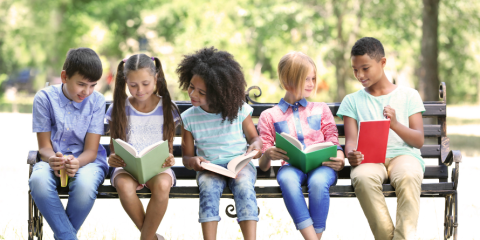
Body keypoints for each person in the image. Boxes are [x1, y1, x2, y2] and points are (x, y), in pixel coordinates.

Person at [337, 37, 425, 240]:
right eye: (355, 69)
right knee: (362, 178)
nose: (359, 75)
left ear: (383, 62)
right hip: (369, 159)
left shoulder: (409, 95)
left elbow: (418, 140)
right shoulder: (352, 101)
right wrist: (351, 154)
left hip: (403, 156)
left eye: (365, 68)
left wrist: (395, 124)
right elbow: (351, 140)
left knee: (409, 176)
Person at [257, 51, 345, 240]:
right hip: (291, 168)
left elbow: (333, 140)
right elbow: (263, 166)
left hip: (322, 166)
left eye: (313, 78)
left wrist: (340, 159)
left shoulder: (320, 108)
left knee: (318, 182)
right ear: (287, 81)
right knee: (287, 179)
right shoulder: (269, 116)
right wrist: (268, 155)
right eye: (306, 79)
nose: (311, 84)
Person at [177, 47, 263, 240]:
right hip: (209, 168)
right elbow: (187, 157)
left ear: (218, 93)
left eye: (202, 92)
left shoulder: (239, 110)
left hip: (240, 165)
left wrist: (256, 147)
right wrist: (195, 162)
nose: (193, 94)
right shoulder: (189, 118)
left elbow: (255, 138)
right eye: (191, 87)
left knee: (243, 185)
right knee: (207, 187)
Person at [29, 48, 107, 240]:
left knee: (85, 185)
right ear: (64, 76)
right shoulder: (44, 98)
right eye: (81, 84)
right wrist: (52, 158)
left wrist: (77, 163)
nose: (86, 92)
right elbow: (45, 147)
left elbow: (91, 150)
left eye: (92, 85)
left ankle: (64, 236)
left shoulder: (97, 101)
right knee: (37, 181)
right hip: (52, 161)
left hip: (88, 162)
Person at [106, 54, 181, 240]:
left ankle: (146, 238)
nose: (139, 90)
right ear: (126, 82)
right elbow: (114, 148)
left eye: (146, 84)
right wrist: (112, 158)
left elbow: (168, 148)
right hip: (127, 168)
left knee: (163, 185)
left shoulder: (167, 108)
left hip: (158, 169)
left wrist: (170, 157)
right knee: (123, 185)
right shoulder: (119, 108)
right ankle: (151, 237)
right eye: (133, 85)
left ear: (156, 79)